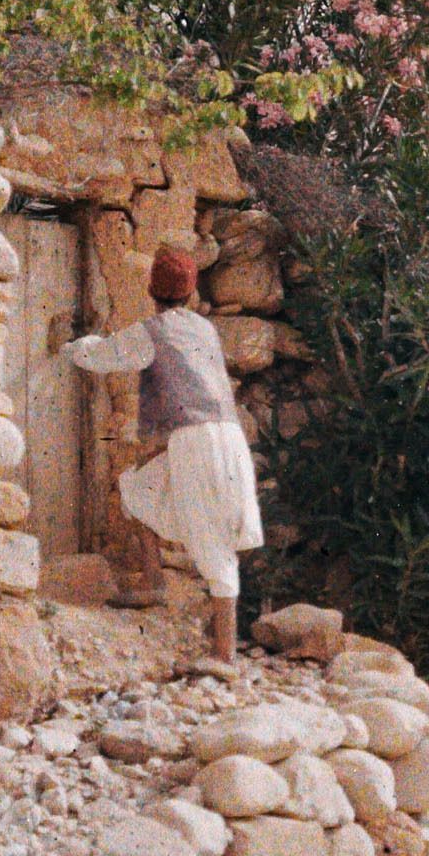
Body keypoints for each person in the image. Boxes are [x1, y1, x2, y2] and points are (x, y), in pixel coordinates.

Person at [61, 246, 263, 663]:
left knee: (212, 540)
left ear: (152, 289)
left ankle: (224, 658)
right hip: (228, 436)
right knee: (138, 487)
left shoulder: (152, 332)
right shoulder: (204, 330)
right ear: (190, 294)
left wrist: (67, 346)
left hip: (196, 440)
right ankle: (153, 584)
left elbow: (103, 356)